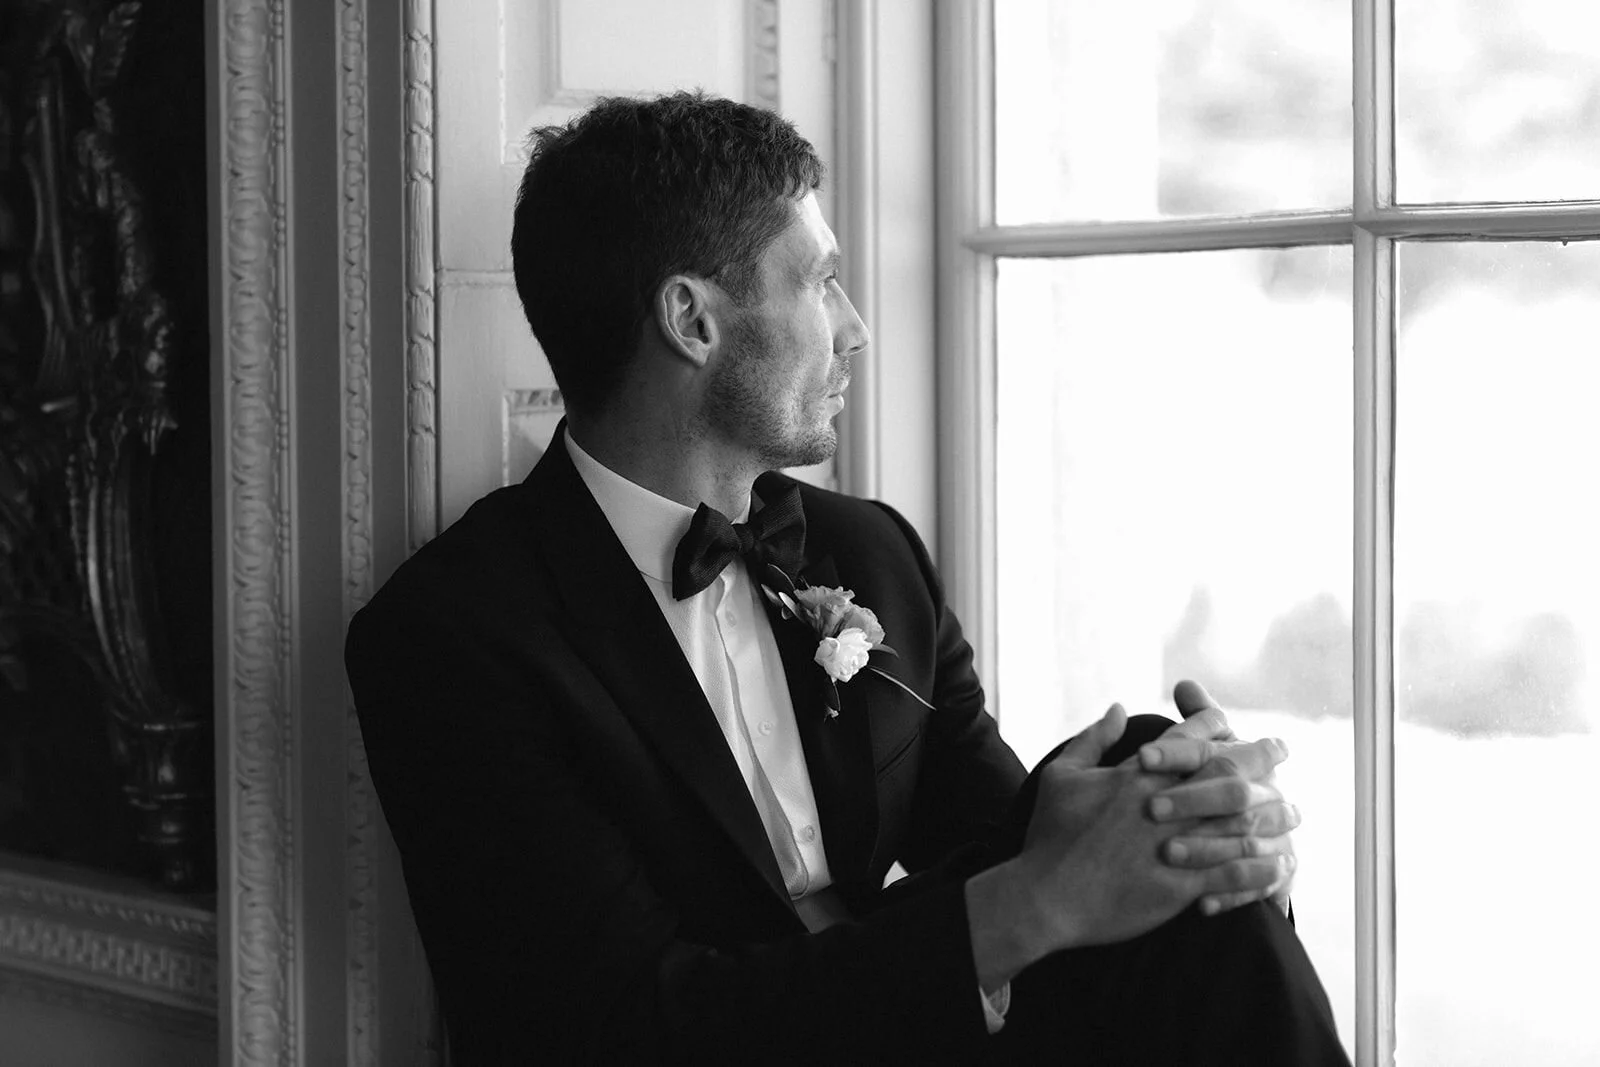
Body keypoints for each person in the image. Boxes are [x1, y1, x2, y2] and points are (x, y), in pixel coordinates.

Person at [344, 91, 1348, 1065]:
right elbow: (618, 1027)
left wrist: (1191, 828)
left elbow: (1000, 829)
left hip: (926, 1021)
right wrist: (1043, 897)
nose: (855, 326)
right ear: (692, 320)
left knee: (1154, 768)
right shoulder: (452, 634)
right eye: (819, 282)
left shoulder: (869, 552)